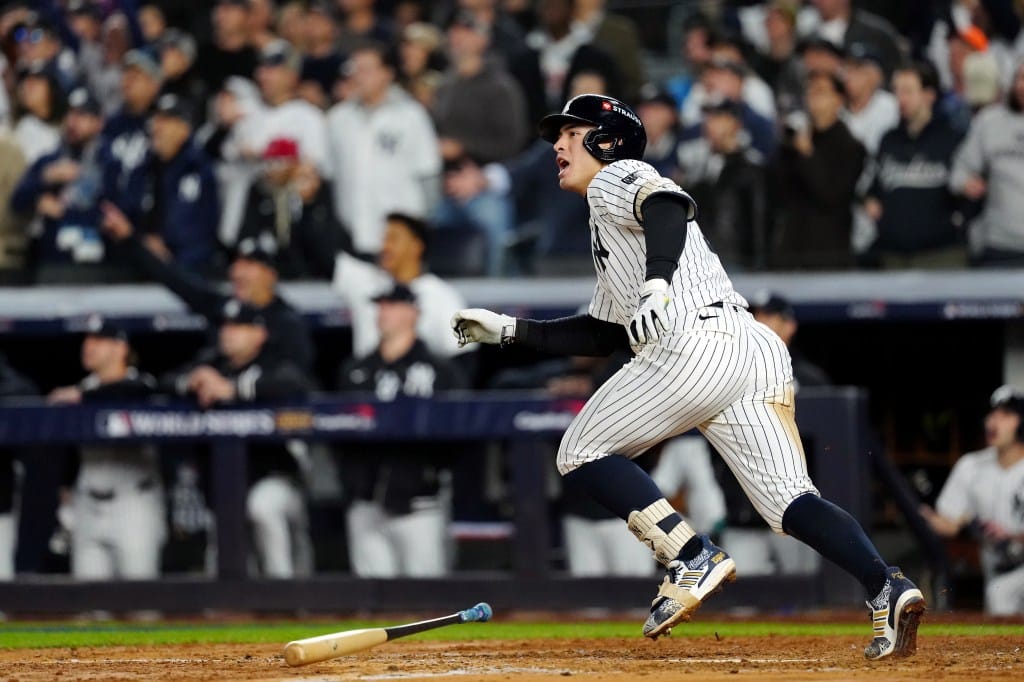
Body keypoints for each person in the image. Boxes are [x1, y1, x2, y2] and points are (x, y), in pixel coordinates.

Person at [451, 93, 925, 659]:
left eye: (572, 133)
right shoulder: (607, 230)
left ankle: (691, 554)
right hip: (750, 349)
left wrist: (658, 281)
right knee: (790, 503)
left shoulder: (617, 175)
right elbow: (604, 332)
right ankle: (885, 584)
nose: (557, 144)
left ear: (607, 139)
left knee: (579, 450)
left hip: (693, 346)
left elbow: (667, 203)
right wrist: (508, 330)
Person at [162, 300, 315, 578]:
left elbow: (292, 383)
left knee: (262, 508)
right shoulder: (211, 363)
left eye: (239, 326)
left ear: (260, 333)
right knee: (223, 559)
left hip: (276, 478)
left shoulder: (274, 362)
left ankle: (286, 596)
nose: (228, 333)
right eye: (226, 326)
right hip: (225, 484)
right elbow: (166, 381)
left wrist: (232, 389)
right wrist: (194, 381)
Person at [336, 284, 468, 576]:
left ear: (414, 312)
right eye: (380, 305)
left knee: (427, 601)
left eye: (392, 305)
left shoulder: (441, 372)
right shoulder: (356, 371)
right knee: (370, 601)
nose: (383, 312)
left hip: (420, 502)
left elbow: (459, 435)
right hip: (366, 501)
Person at [47, 316, 165, 580]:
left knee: (141, 605)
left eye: (99, 340)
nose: (89, 346)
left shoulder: (142, 385)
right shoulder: (82, 388)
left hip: (134, 503)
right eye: (87, 340)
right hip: (88, 502)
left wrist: (83, 397)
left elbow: (130, 392)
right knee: (89, 608)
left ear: (120, 348)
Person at [326, 41, 441, 257]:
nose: (359, 76)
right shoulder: (338, 118)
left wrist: (420, 231)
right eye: (355, 70)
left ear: (387, 74)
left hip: (401, 236)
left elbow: (429, 175)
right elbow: (331, 176)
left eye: (367, 70)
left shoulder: (411, 116)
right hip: (352, 232)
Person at [920, 385, 1024, 615]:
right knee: (1000, 597)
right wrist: (918, 510)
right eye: (992, 414)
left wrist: (1013, 537)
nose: (994, 422)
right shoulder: (971, 466)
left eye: (1006, 415)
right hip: (999, 572)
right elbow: (949, 523)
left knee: (1002, 594)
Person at [862, 61, 966, 269]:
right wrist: (870, 200)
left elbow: (968, 188)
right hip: (893, 254)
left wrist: (958, 221)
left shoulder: (951, 138)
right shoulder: (889, 140)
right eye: (897, 92)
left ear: (929, 95)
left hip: (940, 254)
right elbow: (875, 187)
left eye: (908, 91)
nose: (900, 99)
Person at [333, 212, 465, 359]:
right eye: (384, 239)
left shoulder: (441, 295)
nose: (385, 246)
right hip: (367, 377)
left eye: (393, 239)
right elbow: (325, 251)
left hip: (416, 379)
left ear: (416, 246)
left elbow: (463, 356)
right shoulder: (364, 280)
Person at [10, 86, 106, 284]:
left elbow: (118, 209)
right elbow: (17, 201)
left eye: (82, 115)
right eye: (70, 114)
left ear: (98, 123)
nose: (73, 122)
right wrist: (46, 179)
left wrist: (66, 212)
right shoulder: (51, 160)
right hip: (52, 262)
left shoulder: (108, 161)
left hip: (96, 264)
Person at [772, 70, 865, 269]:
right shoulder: (796, 141)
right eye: (810, 91)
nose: (812, 97)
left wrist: (808, 155)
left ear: (838, 100)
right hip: (792, 250)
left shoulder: (850, 146)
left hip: (828, 253)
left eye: (821, 91)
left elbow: (832, 196)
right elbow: (780, 192)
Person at [949, 60, 1024, 266]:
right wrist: (966, 183)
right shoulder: (989, 121)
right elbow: (959, 169)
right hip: (999, 244)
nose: (1021, 86)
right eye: (1019, 78)